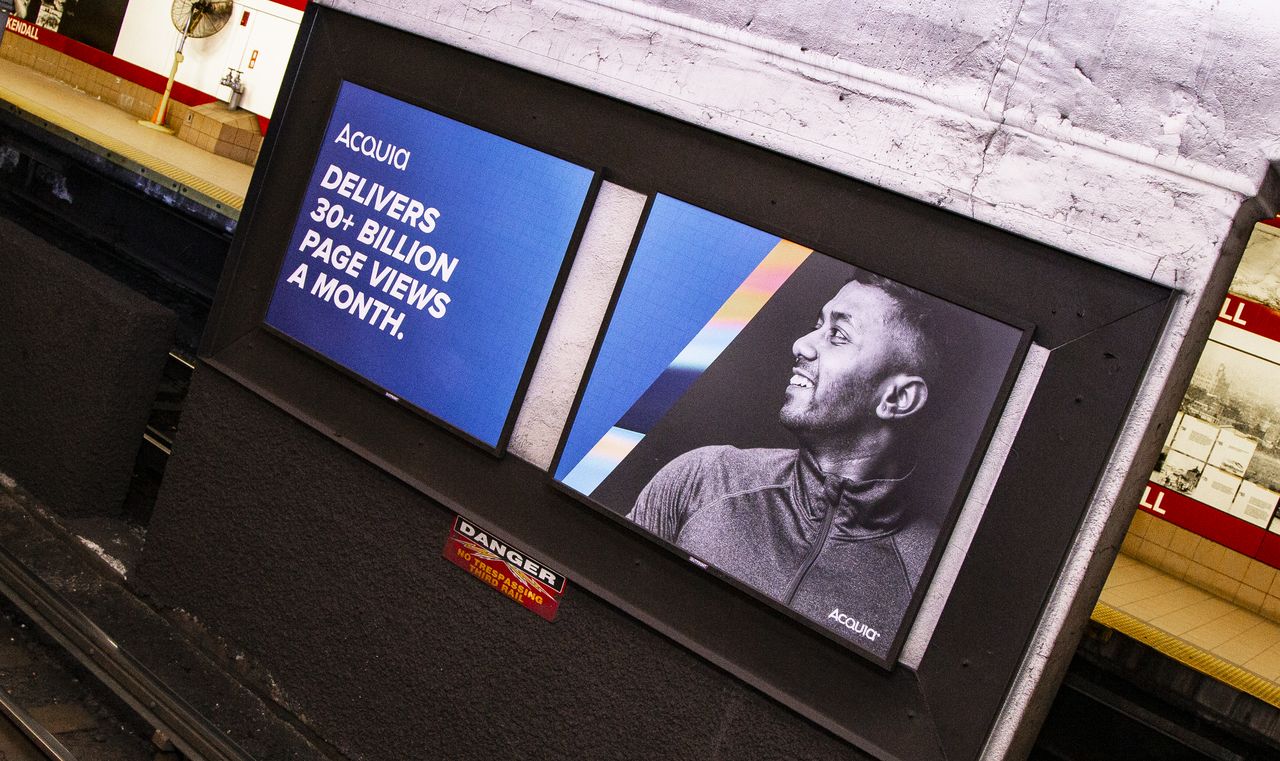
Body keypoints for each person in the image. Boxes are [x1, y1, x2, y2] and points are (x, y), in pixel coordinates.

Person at [627, 271, 943, 655]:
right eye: (818, 324)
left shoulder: (930, 586)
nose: (802, 345)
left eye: (839, 335)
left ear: (898, 399)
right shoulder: (702, 480)